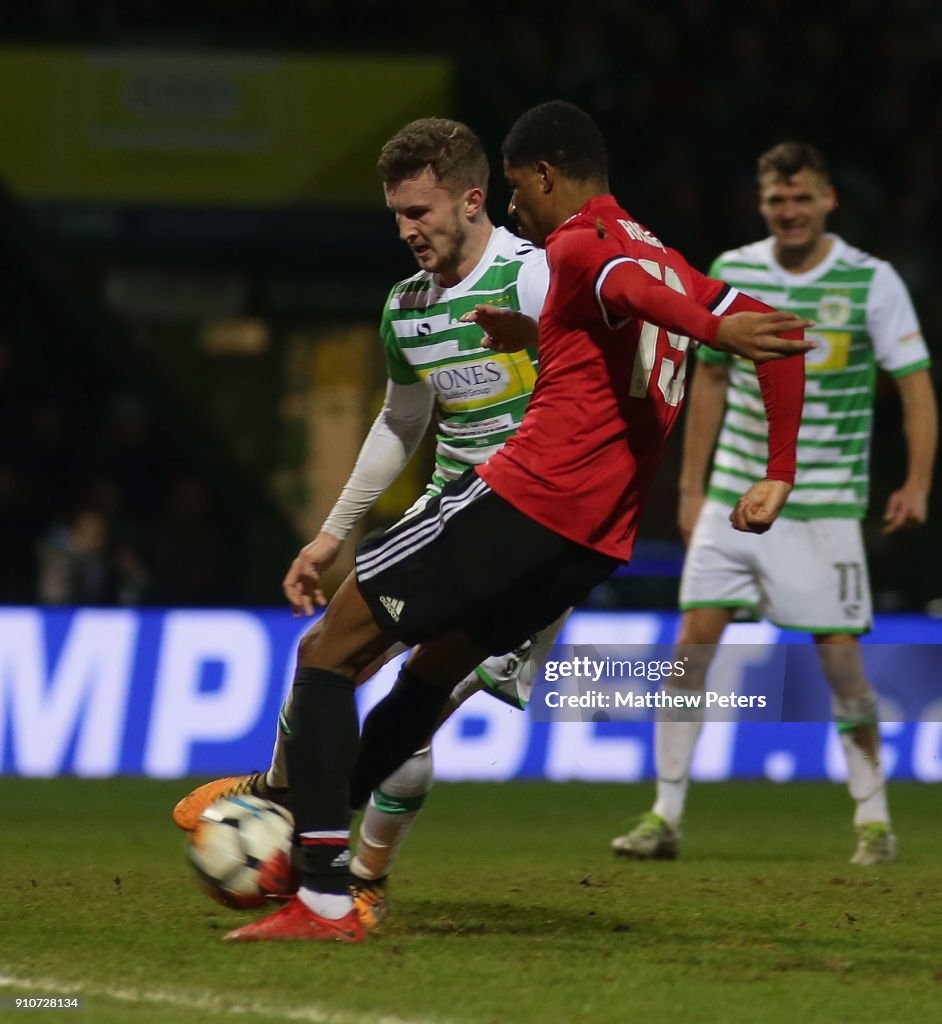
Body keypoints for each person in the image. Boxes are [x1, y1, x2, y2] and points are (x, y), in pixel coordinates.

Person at [224, 100, 812, 943]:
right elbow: (771, 336)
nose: (510, 210)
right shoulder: (670, 257)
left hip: (520, 502)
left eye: (513, 189)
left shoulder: (578, 245)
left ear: (544, 174)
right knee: (423, 685)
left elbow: (622, 287)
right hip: (592, 545)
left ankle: (317, 891)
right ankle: (312, 854)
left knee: (325, 655)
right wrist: (777, 469)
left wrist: (714, 330)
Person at [172, 117, 567, 928]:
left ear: (470, 199)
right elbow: (400, 424)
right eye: (395, 214)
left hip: (529, 532)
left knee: (411, 699)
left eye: (419, 212)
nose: (405, 230)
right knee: (346, 673)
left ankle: (309, 835)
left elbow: (617, 376)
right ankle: (327, 852)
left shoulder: (535, 280)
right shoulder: (408, 307)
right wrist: (329, 534)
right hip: (443, 516)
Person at [611, 141, 936, 867]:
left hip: (822, 505)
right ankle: (664, 812)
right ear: (763, 206)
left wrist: (916, 481)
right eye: (777, 201)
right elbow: (713, 383)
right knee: (691, 647)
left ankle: (874, 819)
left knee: (842, 661)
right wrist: (691, 489)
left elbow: (914, 384)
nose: (789, 212)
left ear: (828, 202)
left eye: (802, 199)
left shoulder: (869, 281)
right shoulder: (735, 270)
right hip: (733, 495)